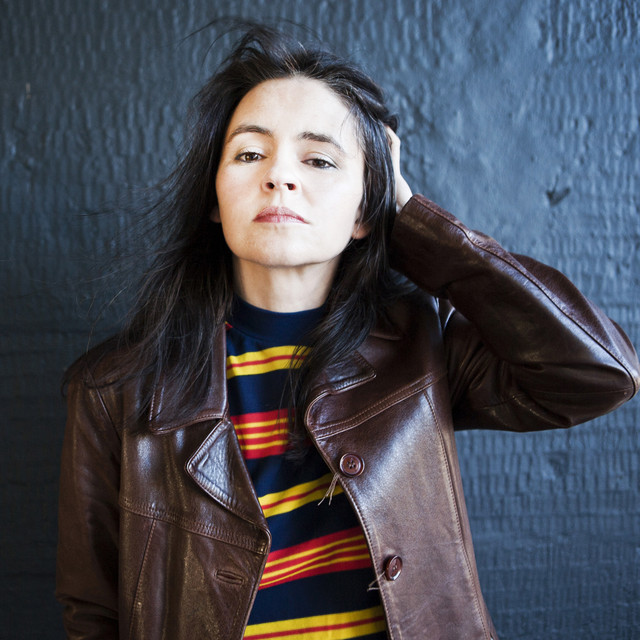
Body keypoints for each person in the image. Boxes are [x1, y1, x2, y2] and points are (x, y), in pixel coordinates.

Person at [56, 25, 640, 640]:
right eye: (250, 154)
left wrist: (411, 220)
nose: (280, 176)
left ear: (365, 209)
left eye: (319, 160)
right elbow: (94, 612)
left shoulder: (421, 350)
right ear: (213, 198)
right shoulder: (112, 390)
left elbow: (600, 374)